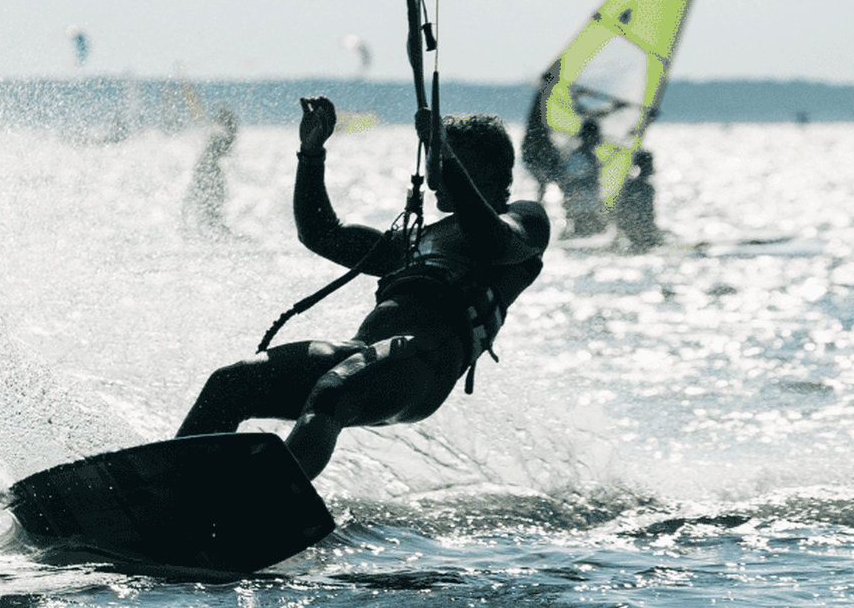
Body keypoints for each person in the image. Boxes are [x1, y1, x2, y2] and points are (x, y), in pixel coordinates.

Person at [174, 96, 550, 479]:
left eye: (442, 161)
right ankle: (170, 487)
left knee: (333, 391)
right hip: (364, 354)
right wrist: (312, 153)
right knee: (232, 382)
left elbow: (494, 242)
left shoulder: (525, 219)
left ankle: (265, 503)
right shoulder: (417, 239)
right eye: (434, 160)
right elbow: (322, 234)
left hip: (423, 363)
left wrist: (447, 158)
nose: (434, 173)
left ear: (485, 170)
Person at [181, 106, 242, 241]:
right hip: (208, 171)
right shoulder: (223, 136)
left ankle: (201, 232)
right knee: (207, 207)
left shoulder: (219, 135)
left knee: (204, 206)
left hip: (207, 171)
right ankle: (204, 232)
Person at [612, 150, 663, 251]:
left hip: (628, 231)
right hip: (641, 231)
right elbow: (648, 214)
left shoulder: (628, 184)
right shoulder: (647, 188)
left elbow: (620, 211)